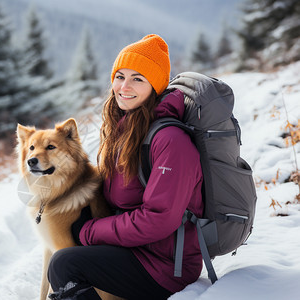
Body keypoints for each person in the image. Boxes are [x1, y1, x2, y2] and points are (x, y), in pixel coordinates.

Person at [47, 34, 204, 300]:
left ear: (154, 86)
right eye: (120, 76)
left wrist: (90, 232)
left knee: (65, 264)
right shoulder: (125, 127)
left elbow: (158, 218)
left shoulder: (170, 141)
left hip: (165, 267)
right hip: (139, 249)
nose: (124, 86)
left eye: (137, 79)